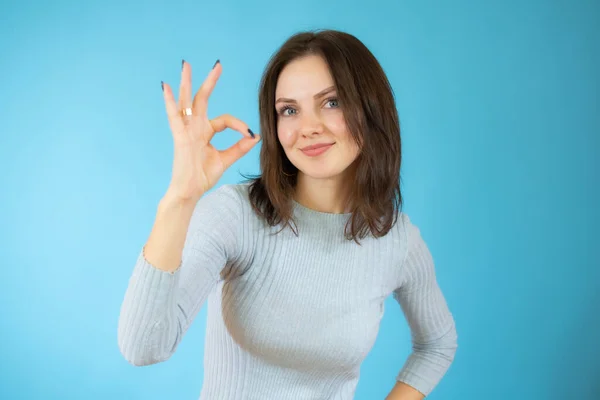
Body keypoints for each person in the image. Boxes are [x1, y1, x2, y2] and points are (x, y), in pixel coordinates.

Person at [118, 29, 457, 400]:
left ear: (371, 108)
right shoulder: (236, 216)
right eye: (289, 110)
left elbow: (437, 345)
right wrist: (181, 197)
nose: (308, 128)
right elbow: (144, 347)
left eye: (332, 102)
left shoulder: (397, 241)